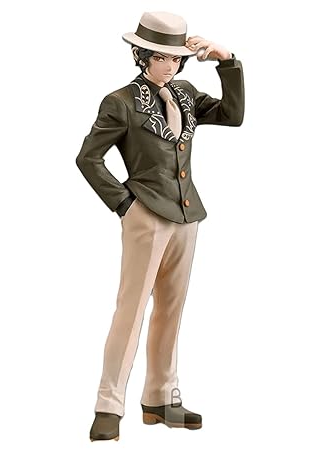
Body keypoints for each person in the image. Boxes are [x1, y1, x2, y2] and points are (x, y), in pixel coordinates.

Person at [76, 11, 245, 442]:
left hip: (186, 216)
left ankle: (161, 397)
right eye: (161, 57)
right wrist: (124, 204)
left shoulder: (184, 94)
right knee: (130, 309)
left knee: (172, 309)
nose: (170, 66)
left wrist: (227, 60)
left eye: (175, 58)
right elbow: (88, 158)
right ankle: (108, 405)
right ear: (142, 56)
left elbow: (232, 114)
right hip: (145, 214)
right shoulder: (120, 102)